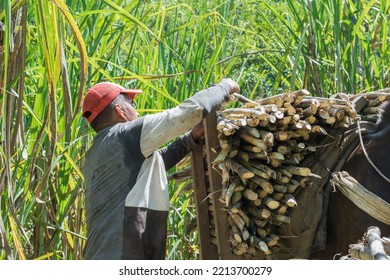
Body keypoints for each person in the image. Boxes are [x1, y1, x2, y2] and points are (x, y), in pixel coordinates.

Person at [81, 79, 240, 259]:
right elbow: (186, 114)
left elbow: (151, 168)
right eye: (132, 104)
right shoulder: (125, 135)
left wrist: (191, 138)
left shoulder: (95, 153)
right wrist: (224, 86)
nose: (136, 110)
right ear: (120, 111)